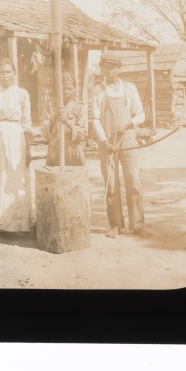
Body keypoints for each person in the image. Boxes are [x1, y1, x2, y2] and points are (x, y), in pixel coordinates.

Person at [91, 51, 150, 238]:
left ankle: (138, 225)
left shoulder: (130, 88)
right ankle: (115, 225)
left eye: (112, 67)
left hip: (128, 141)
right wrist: (103, 140)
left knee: (133, 181)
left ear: (118, 68)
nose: (108, 71)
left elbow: (141, 114)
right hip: (107, 143)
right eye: (105, 67)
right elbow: (95, 118)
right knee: (112, 184)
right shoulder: (97, 91)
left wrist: (128, 124)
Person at [0, 58, 34, 233]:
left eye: (9, 72)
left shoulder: (22, 93)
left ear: (14, 74)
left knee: (15, 176)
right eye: (2, 72)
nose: (5, 75)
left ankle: (17, 223)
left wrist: (28, 147)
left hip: (16, 136)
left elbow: (27, 123)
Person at [45, 72, 87, 166]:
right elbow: (46, 132)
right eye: (63, 89)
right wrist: (55, 115)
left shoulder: (79, 108)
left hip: (71, 150)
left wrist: (67, 121)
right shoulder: (52, 107)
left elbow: (81, 134)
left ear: (75, 89)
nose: (66, 92)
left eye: (69, 88)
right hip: (55, 150)